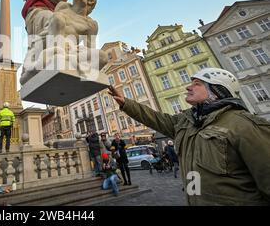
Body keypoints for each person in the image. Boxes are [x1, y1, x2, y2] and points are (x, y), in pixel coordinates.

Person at [109, 67, 270, 205]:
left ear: (216, 90)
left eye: (197, 84)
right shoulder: (187, 121)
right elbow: (156, 119)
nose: (188, 87)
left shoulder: (244, 124)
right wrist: (125, 103)